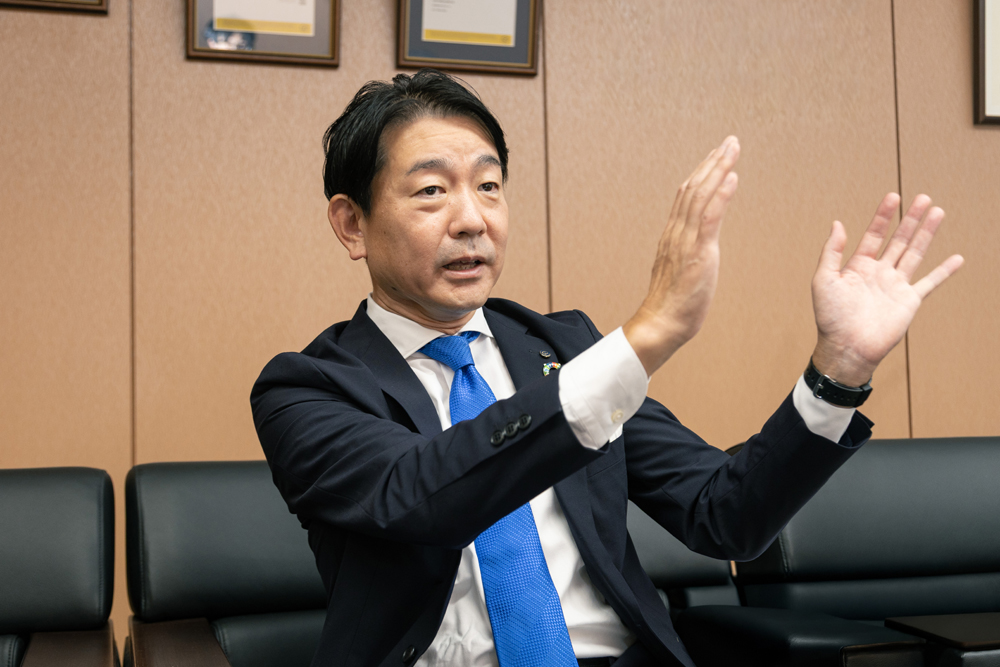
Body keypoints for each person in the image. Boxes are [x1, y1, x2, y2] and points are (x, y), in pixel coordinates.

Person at [250, 69, 963, 667]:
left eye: (490, 186)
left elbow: (723, 515)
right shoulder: (306, 388)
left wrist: (837, 372)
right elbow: (423, 494)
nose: (472, 220)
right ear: (352, 223)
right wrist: (647, 336)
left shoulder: (564, 349)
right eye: (432, 191)